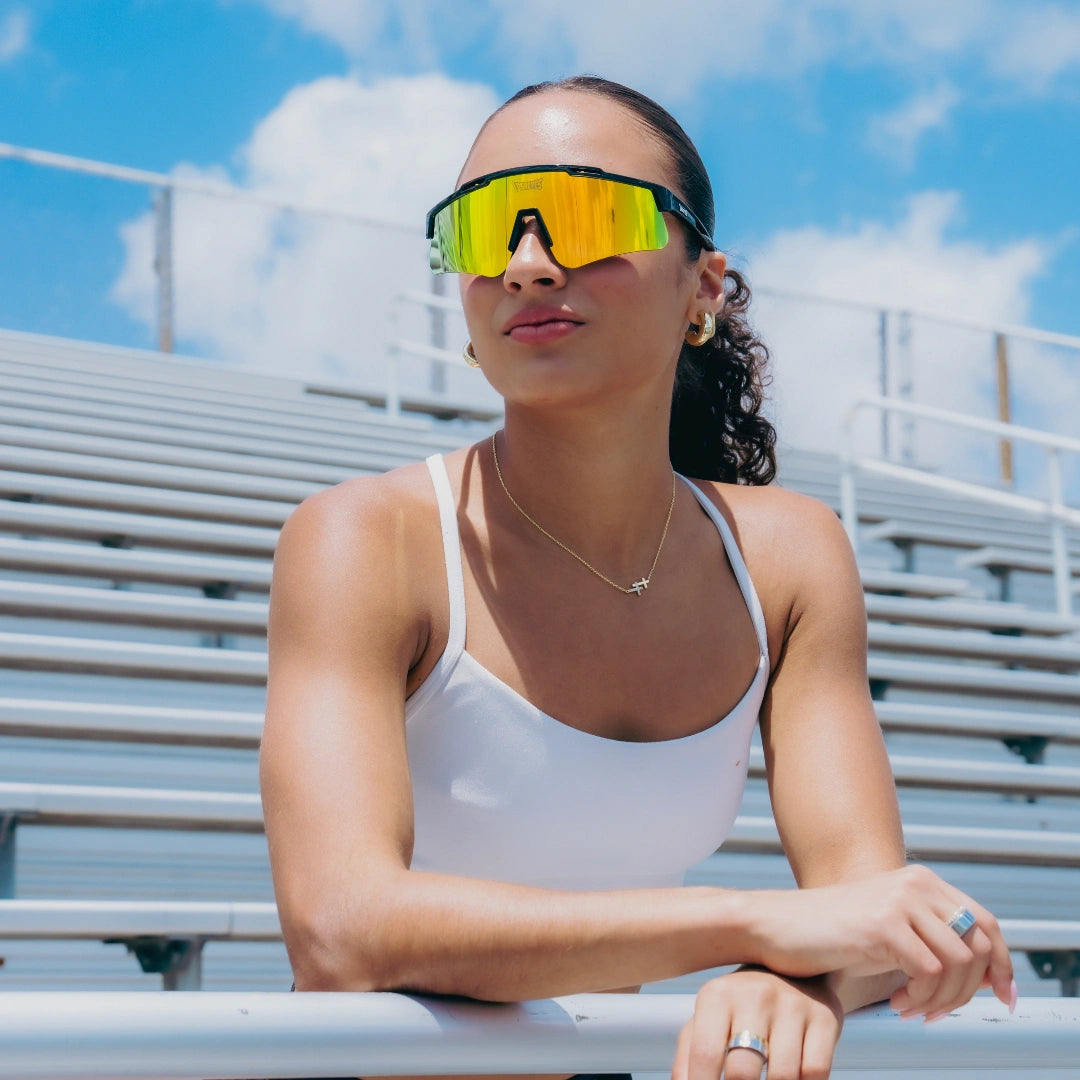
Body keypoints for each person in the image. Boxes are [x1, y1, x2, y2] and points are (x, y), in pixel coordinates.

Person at [260, 75, 1016, 1080]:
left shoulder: (788, 559)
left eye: (584, 213)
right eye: (485, 230)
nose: (529, 264)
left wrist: (792, 981)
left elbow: (866, 904)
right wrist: (763, 929)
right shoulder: (365, 540)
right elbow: (344, 927)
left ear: (703, 284)